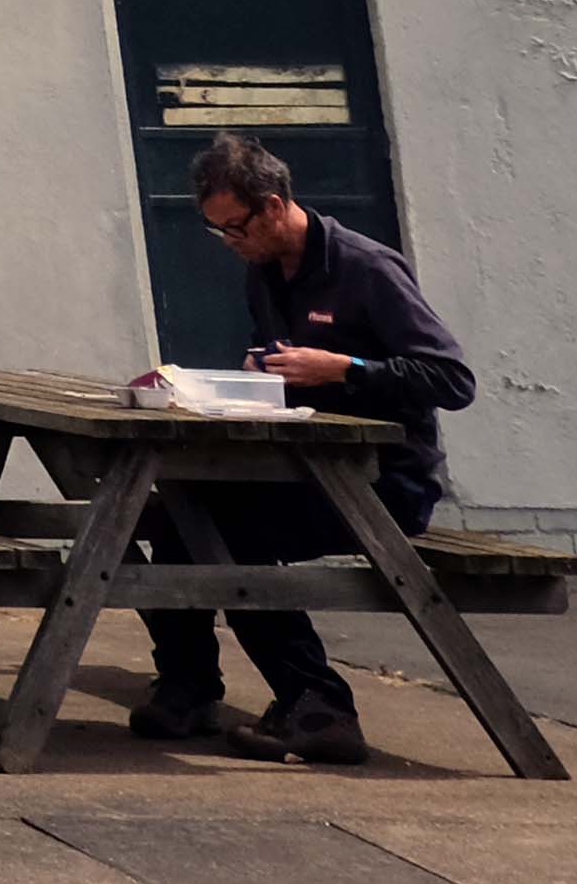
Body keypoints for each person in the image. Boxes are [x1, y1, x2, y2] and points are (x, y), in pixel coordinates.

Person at [130, 134, 479, 765]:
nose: (229, 243)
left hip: (382, 482)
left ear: (272, 206)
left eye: (235, 228)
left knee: (227, 537)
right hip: (303, 470)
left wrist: (344, 368)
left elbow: (452, 380)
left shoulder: (366, 269)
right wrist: (260, 372)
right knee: (179, 511)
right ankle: (188, 687)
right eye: (218, 231)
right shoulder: (265, 273)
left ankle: (319, 707)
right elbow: (289, 369)